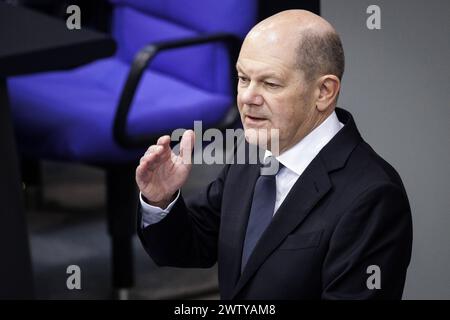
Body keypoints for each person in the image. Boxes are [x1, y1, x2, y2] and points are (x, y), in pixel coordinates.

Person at [135, 10, 412, 299]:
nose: (247, 98)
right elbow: (192, 246)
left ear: (324, 92)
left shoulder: (373, 197)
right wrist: (161, 199)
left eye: (270, 84)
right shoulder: (252, 151)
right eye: (243, 78)